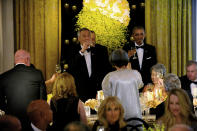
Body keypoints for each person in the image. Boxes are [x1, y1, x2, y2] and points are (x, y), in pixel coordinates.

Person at [0, 49, 47, 130]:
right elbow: (43, 99)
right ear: (27, 59)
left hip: (12, 123)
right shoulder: (37, 74)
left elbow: (0, 102)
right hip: (33, 120)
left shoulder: (3, 77)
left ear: (15, 61)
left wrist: (9, 111)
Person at [102, 49, 143, 123]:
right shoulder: (136, 74)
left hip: (117, 116)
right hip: (135, 115)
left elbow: (107, 98)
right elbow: (140, 85)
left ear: (112, 62)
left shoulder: (109, 77)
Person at [67, 28, 103, 102]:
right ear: (79, 38)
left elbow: (102, 71)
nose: (87, 38)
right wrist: (82, 51)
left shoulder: (99, 50)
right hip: (79, 90)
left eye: (88, 36)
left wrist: (100, 90)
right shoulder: (72, 50)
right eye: (84, 36)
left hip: (95, 90)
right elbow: (71, 67)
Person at [123, 26, 157, 90]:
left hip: (148, 83)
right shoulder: (126, 48)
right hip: (132, 83)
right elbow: (122, 66)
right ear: (133, 35)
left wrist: (152, 83)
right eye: (137, 35)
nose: (139, 37)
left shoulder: (151, 49)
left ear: (145, 35)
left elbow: (154, 66)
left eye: (141, 34)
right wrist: (127, 56)